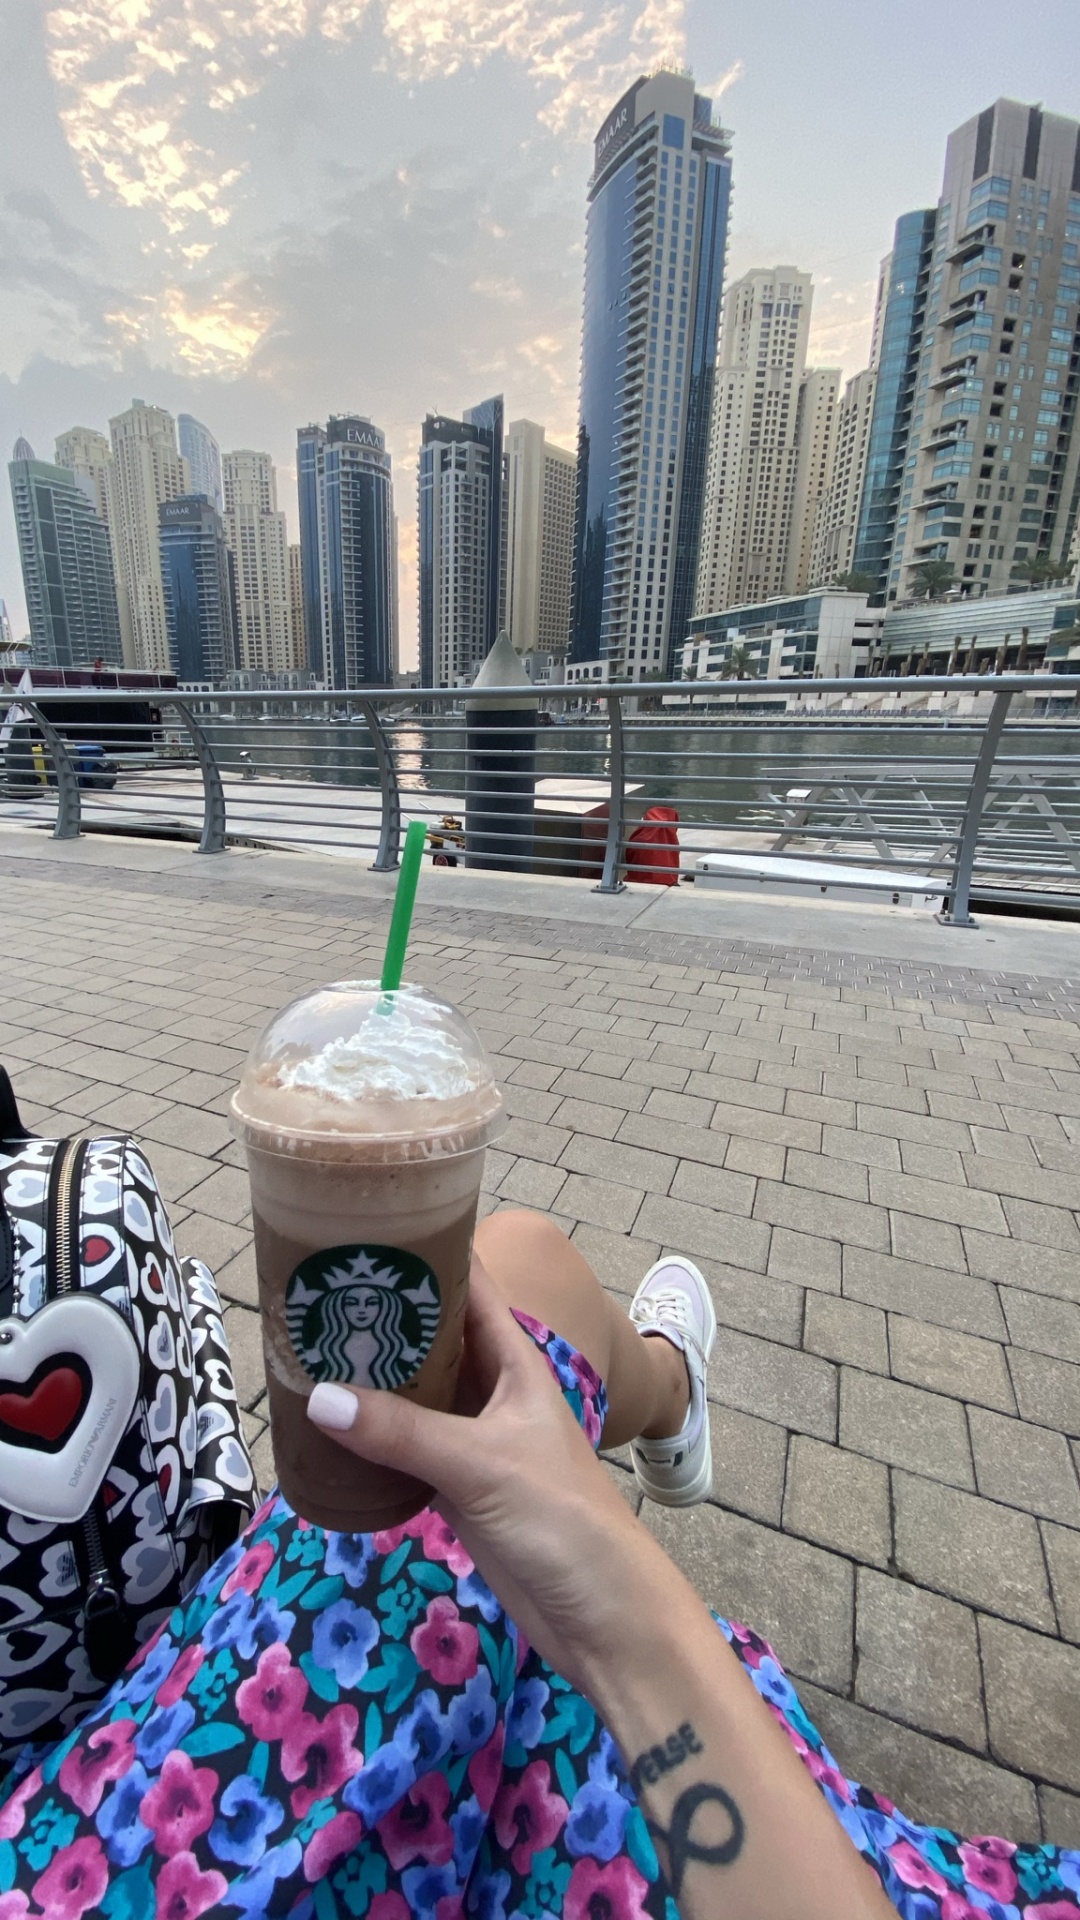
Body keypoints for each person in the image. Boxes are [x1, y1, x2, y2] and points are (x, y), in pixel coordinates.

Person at [0, 1212, 1075, 1919]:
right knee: (525, 1277)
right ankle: (672, 1392)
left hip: (81, 1830)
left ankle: (663, 1407)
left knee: (508, 1295)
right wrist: (620, 1610)